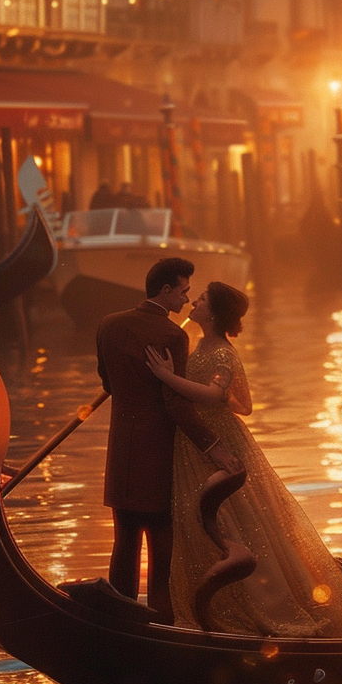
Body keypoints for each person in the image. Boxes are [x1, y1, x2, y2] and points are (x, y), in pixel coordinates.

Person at [145, 281, 342, 638]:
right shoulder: (201, 344)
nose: (195, 301)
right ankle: (212, 607)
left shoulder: (222, 352)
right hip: (193, 444)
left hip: (217, 441)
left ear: (215, 312)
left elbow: (213, 395)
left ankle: (259, 606)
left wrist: (166, 376)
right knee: (201, 522)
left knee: (235, 522)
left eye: (203, 298)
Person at [96, 258, 239, 623]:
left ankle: (119, 622)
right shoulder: (173, 336)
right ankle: (161, 625)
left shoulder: (108, 325)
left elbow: (108, 385)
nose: (186, 298)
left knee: (124, 543)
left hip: (120, 454)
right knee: (162, 551)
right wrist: (212, 445)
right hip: (157, 455)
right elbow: (175, 406)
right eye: (184, 291)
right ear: (165, 291)